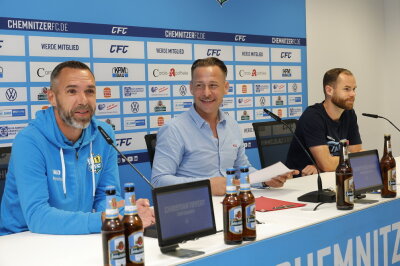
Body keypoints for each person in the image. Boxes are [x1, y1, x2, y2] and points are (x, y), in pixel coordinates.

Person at [0, 61, 154, 235]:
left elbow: (106, 196)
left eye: (89, 91)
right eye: (72, 91)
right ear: (52, 97)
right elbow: (38, 217)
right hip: (23, 240)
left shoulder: (104, 134)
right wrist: (108, 219)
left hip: (76, 236)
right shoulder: (29, 141)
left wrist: (124, 211)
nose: (83, 101)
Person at [151, 57, 297, 195]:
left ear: (225, 88)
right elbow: (159, 181)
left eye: (213, 85)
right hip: (194, 208)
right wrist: (207, 185)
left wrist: (264, 179)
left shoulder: (231, 125)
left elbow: (241, 170)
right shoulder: (174, 129)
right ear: (191, 88)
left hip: (232, 202)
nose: (206, 93)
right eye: (199, 86)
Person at [286, 68, 362, 176]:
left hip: (331, 175)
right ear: (329, 90)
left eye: (354, 89)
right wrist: (352, 159)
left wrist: (329, 163)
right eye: (347, 89)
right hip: (303, 181)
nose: (353, 94)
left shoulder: (349, 114)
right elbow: (327, 164)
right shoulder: (312, 116)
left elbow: (357, 154)